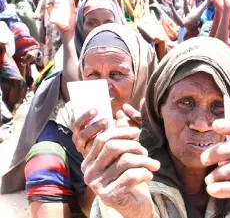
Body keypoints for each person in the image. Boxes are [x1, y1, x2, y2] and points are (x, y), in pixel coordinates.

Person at [72, 37, 230, 218]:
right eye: (185, 103)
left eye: (218, 106)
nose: (200, 124)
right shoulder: (130, 174)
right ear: (158, 107)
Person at [22, 23, 157, 218]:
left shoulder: (162, 120)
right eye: (93, 74)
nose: (104, 85)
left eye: (117, 74)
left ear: (141, 74)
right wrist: (99, 163)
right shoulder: (73, 122)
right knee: (43, 154)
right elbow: (87, 207)